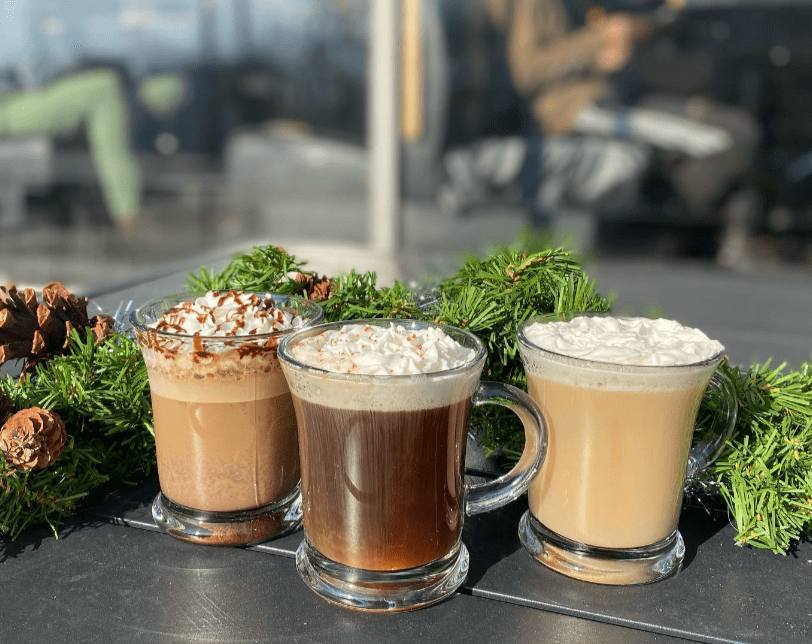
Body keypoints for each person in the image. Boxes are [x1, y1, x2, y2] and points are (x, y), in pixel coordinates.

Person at [442, 0, 760, 267]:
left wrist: (635, 34)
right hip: (577, 110)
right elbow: (527, 71)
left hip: (620, 96)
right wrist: (602, 38)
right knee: (721, 140)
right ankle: (661, 236)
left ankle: (669, 238)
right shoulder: (534, 4)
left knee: (735, 133)